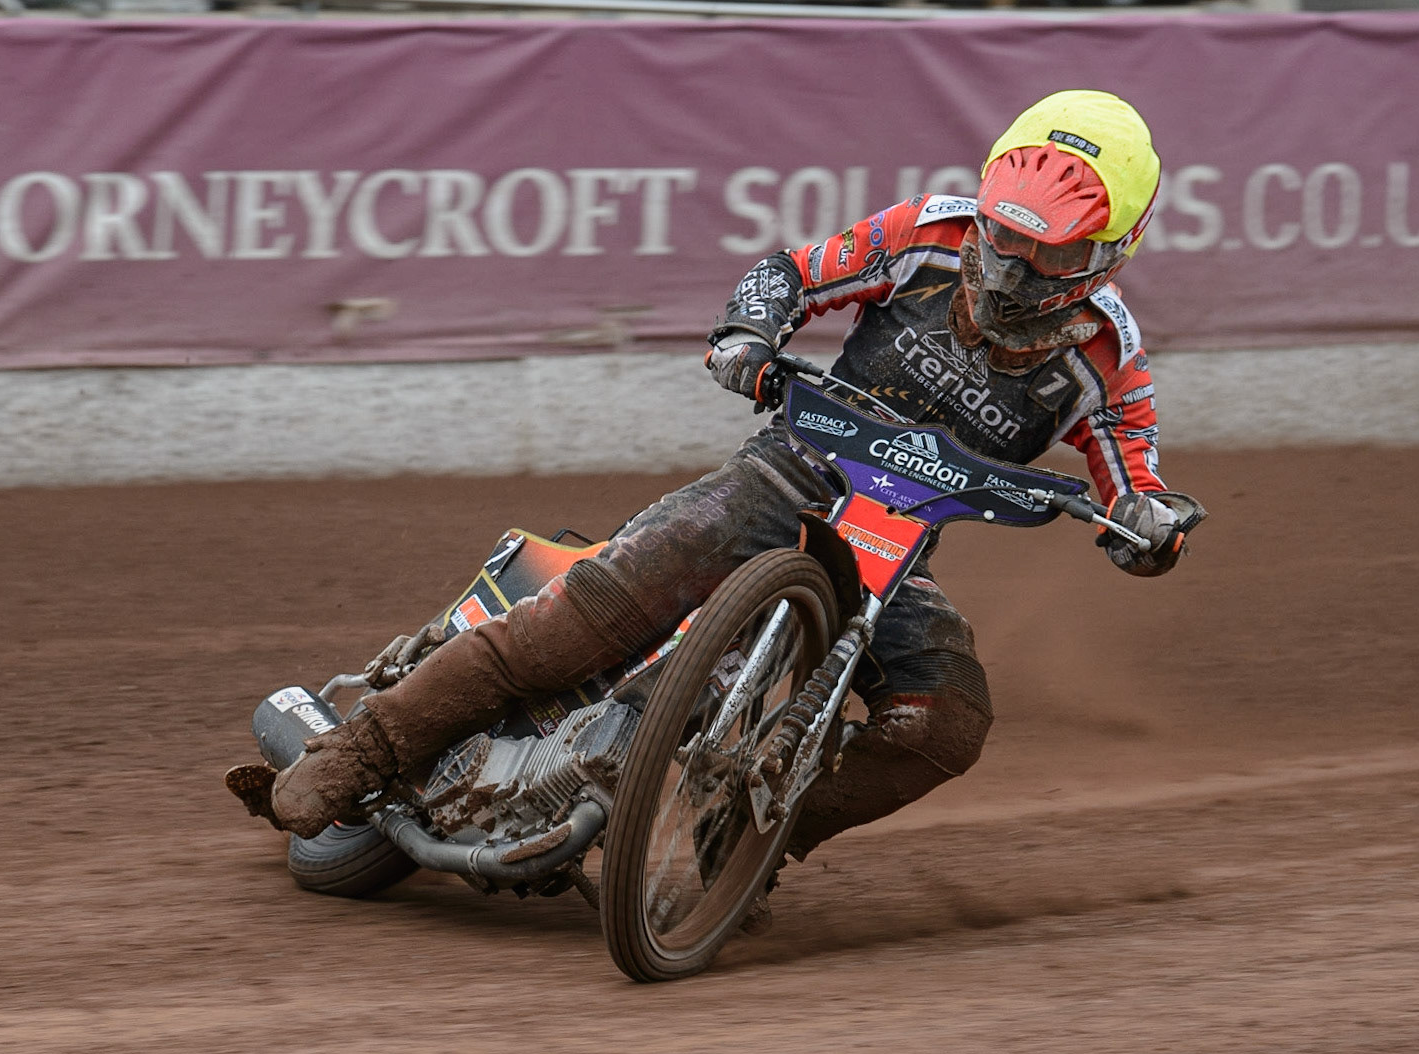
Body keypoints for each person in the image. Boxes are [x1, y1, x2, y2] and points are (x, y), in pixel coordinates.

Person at [254, 89, 1206, 899]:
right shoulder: (926, 235)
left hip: (894, 552)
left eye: (1049, 255)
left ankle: (746, 849)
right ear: (989, 203)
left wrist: (1148, 524)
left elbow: (1133, 469)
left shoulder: (1105, 361)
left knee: (945, 721)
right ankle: (358, 756)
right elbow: (790, 273)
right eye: (1005, 236)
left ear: (1110, 250)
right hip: (783, 476)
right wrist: (747, 334)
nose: (1012, 264)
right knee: (573, 623)